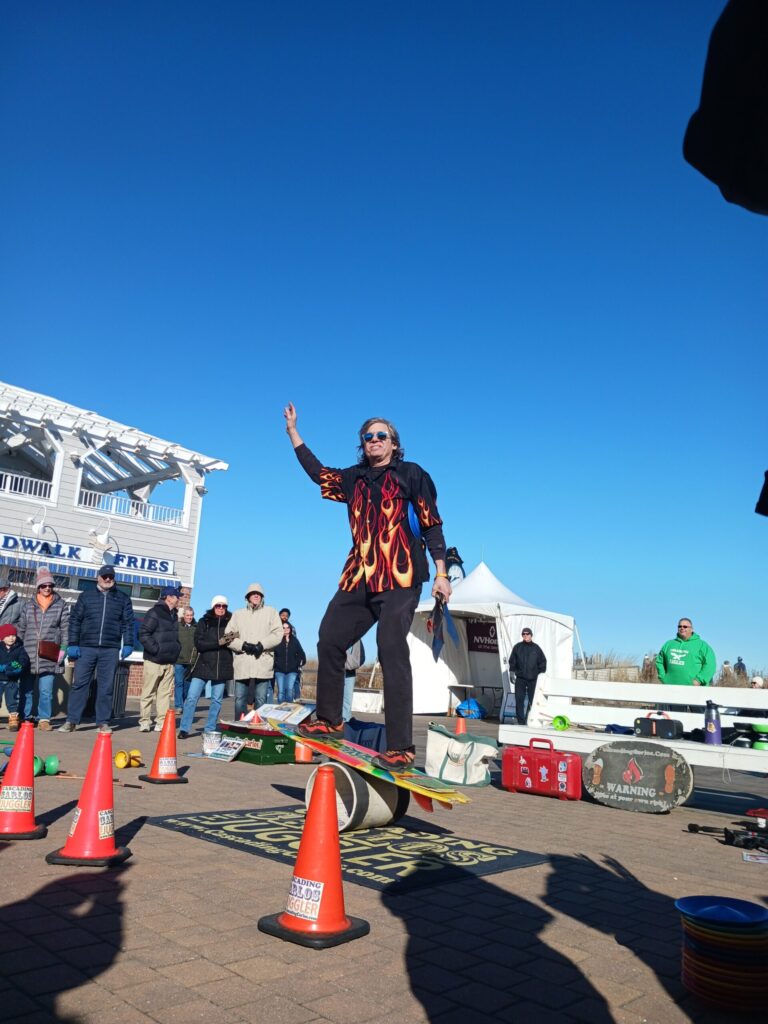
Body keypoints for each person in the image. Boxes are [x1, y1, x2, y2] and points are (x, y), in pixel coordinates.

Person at [284, 402, 451, 771]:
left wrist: (441, 574)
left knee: (389, 647)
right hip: (359, 574)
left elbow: (431, 524)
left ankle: (401, 747)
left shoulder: (411, 474)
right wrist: (294, 434)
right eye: (368, 437)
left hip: (402, 574)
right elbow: (318, 473)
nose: (374, 441)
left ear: (393, 443)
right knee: (329, 637)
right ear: (363, 444)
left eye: (381, 436)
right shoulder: (354, 478)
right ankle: (329, 719)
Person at [61, 564, 135, 733]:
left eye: (111, 576)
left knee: (106, 686)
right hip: (86, 647)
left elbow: (128, 623)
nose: (108, 579)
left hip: (110, 648)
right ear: (98, 577)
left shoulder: (122, 598)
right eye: (105, 576)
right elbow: (75, 621)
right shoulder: (86, 597)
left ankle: (103, 722)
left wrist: (129, 643)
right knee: (80, 683)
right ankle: (72, 720)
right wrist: (73, 643)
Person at [16, 565, 70, 730]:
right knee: (26, 690)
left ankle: (44, 719)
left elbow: (65, 629)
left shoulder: (61, 605)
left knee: (46, 691)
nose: (47, 588)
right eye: (43, 585)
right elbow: (21, 629)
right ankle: (26, 717)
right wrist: (18, 650)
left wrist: (64, 649)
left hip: (50, 655)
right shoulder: (28, 605)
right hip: (28, 653)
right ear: (38, 587)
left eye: (50, 585)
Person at [178, 597, 235, 739]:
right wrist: (218, 642)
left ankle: (209, 728)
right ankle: (184, 728)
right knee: (191, 697)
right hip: (203, 664)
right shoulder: (205, 621)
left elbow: (235, 641)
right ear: (213, 606)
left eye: (224, 606)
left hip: (222, 665)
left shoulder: (232, 622)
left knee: (216, 700)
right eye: (218, 605)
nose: (221, 608)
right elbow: (199, 644)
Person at [227, 583, 282, 718]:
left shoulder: (271, 612)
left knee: (261, 699)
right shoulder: (238, 614)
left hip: (262, 660)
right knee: (240, 698)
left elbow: (278, 633)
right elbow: (227, 637)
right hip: (243, 661)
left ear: (262, 597)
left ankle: (258, 728)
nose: (256, 595)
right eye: (253, 593)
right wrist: (242, 645)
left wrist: (262, 645)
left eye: (259, 593)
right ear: (248, 597)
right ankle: (239, 726)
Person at [138, 587, 181, 732]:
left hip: (169, 661)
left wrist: (176, 650)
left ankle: (160, 722)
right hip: (154, 660)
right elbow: (144, 634)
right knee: (148, 692)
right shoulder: (154, 612)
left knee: (164, 694)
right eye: (176, 596)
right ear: (168, 597)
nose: (178, 599)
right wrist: (156, 649)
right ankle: (144, 721)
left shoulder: (174, 614)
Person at [655, 618, 716, 687]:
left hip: (694, 691)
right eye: (679, 626)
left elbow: (710, 665)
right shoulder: (669, 644)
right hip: (670, 689)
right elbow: (660, 661)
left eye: (685, 626)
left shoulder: (702, 646)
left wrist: (699, 680)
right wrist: (663, 677)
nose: (682, 628)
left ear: (692, 629)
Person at [509, 628, 547, 725]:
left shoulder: (536, 648)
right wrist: (512, 672)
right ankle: (521, 722)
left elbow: (543, 662)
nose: (525, 635)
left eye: (527, 634)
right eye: (523, 634)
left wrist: (540, 675)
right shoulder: (517, 647)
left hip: (533, 679)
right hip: (520, 679)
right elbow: (512, 661)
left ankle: (530, 719)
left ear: (531, 635)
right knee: (519, 700)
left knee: (533, 700)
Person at [0, 623, 30, 729]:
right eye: (8, 636)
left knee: (12, 700)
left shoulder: (20, 649)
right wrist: (2, 667)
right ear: (2, 637)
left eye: (13, 636)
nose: (11, 638)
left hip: (12, 680)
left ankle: (13, 719)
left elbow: (24, 661)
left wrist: (17, 666)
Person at [272, 621, 306, 703]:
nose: (286, 629)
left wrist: (298, 663)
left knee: (289, 691)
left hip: (292, 671)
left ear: (290, 629)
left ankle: (289, 711)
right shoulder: (277, 640)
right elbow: (273, 654)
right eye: (283, 628)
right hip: (279, 670)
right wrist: (275, 664)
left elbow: (301, 654)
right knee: (281, 692)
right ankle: (280, 712)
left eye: (287, 627)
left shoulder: (295, 641)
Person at [175, 606, 196, 712]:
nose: (189, 617)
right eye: (187, 615)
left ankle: (184, 703)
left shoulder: (195, 628)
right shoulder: (178, 626)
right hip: (179, 660)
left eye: (191, 615)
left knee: (187, 685)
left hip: (190, 662)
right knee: (178, 683)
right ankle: (178, 706)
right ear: (184, 616)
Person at [342, 639, 365, 722]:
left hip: (350, 673)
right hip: (340, 671)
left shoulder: (357, 638)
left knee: (347, 700)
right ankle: (340, 722)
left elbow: (361, 658)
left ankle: (345, 722)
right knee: (342, 700)